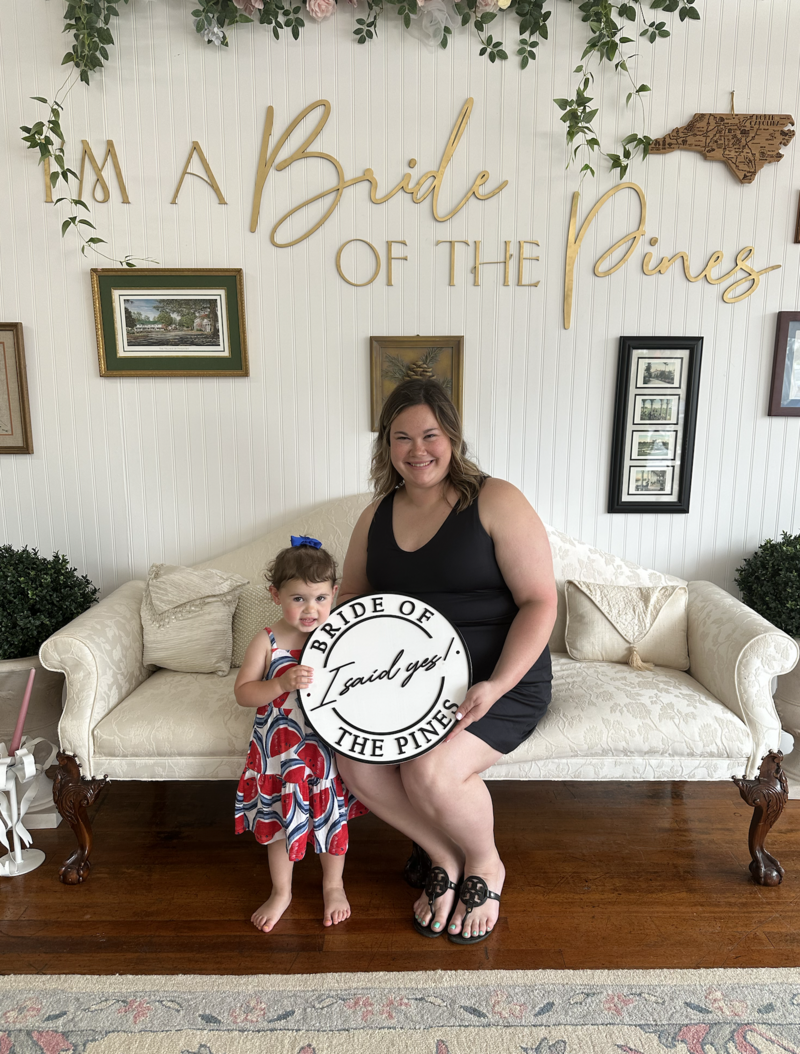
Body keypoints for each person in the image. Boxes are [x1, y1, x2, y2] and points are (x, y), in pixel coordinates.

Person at [336, 379, 557, 945]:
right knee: (356, 764)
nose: (418, 450)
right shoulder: (375, 516)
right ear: (386, 446)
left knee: (427, 768)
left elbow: (540, 601)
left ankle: (484, 863)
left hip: (496, 681)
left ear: (452, 437)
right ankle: (442, 855)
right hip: (409, 684)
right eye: (401, 437)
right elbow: (349, 602)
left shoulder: (496, 499)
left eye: (430, 434)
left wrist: (498, 683)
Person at [234, 537, 366, 933]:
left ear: (334, 595)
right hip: (279, 755)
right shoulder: (267, 641)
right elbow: (243, 692)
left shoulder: (337, 637)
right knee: (278, 823)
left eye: (321, 599)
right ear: (276, 595)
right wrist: (279, 684)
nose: (311, 610)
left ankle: (333, 885)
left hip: (324, 752)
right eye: (298, 599)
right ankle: (281, 891)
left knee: (330, 818)